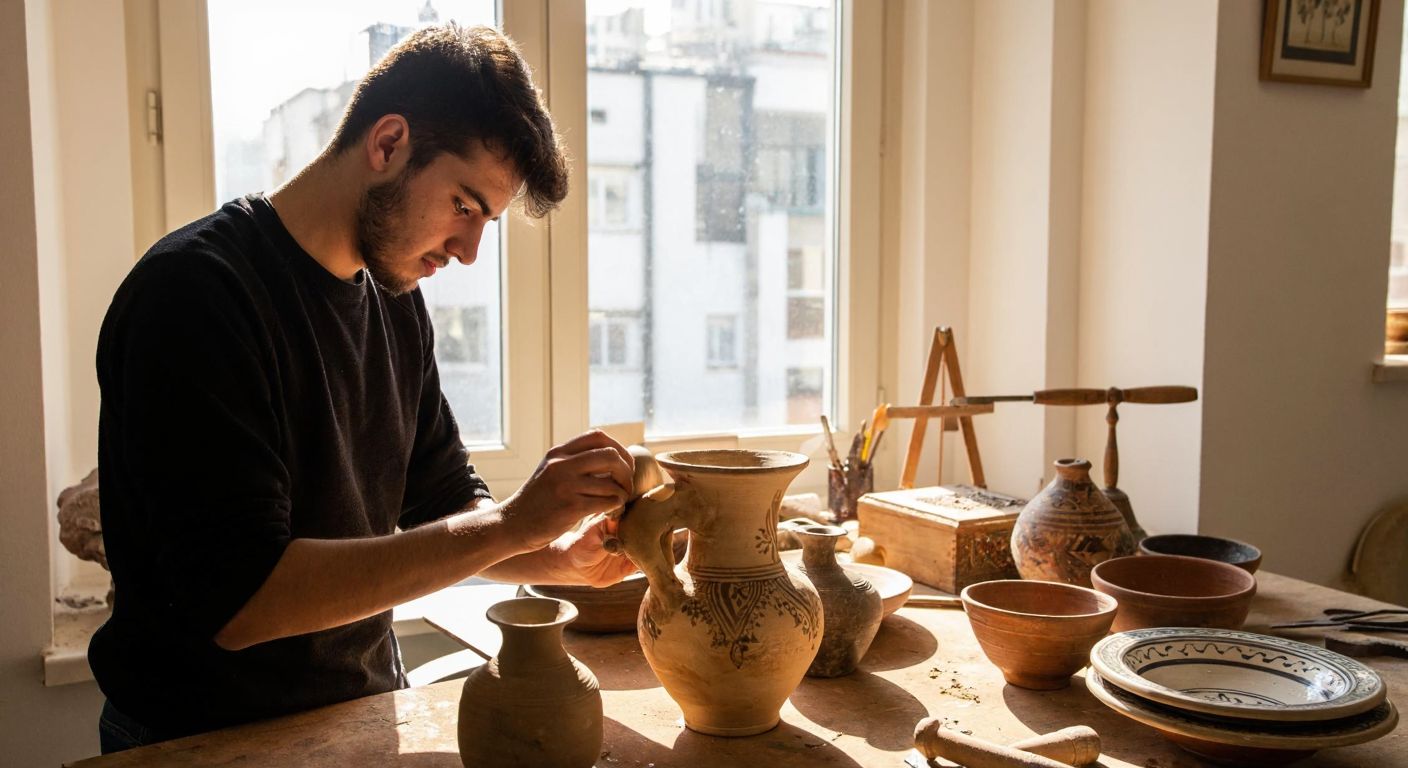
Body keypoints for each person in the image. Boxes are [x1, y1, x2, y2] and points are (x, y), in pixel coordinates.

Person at [90, 23, 637, 753]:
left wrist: (556, 556)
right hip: (199, 740)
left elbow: (444, 504)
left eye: (487, 224)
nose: (470, 252)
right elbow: (244, 600)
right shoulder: (195, 295)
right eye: (464, 206)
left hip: (362, 717)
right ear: (388, 144)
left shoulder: (394, 297)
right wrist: (512, 524)